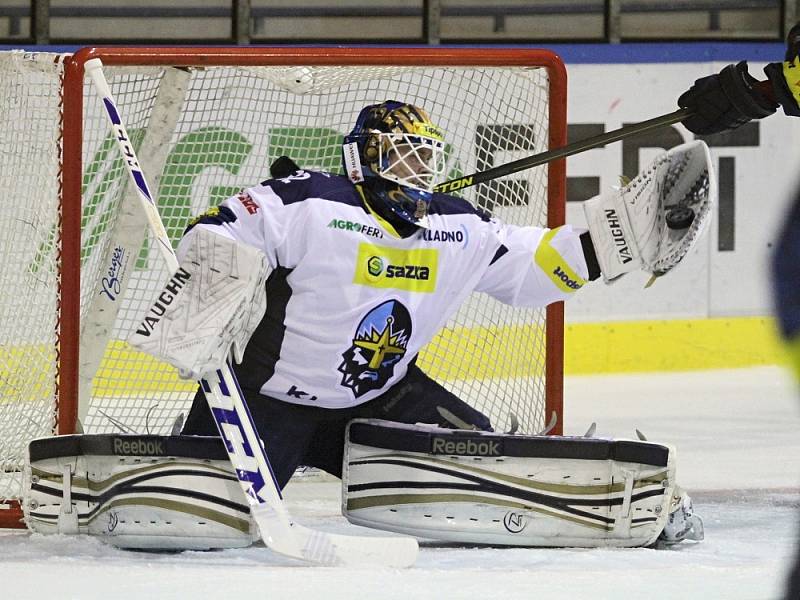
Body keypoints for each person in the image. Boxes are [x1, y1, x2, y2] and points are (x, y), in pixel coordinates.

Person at [177, 100, 604, 490]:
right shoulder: (308, 201)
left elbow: (537, 265)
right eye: (404, 153)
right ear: (364, 158)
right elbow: (211, 233)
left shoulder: (456, 226)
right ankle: (212, 445)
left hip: (377, 402)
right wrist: (204, 316)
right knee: (202, 507)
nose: (416, 169)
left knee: (482, 469)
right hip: (264, 402)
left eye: (424, 157)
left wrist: (617, 234)